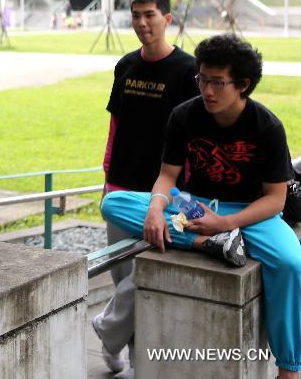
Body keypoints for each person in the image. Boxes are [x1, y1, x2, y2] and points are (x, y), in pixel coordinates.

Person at [102, 34, 300, 378]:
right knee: (114, 203)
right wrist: (154, 209)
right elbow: (167, 177)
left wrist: (227, 223)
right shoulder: (184, 116)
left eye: (217, 82)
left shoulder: (267, 127)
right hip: (194, 208)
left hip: (250, 213)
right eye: (202, 79)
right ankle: (205, 244)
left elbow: (275, 199)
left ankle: (289, 367)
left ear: (242, 85)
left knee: (291, 263)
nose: (207, 90)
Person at [92, 0, 199, 379]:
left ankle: (107, 331)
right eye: (135, 15)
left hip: (169, 194)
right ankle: (125, 354)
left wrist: (189, 195)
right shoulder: (125, 66)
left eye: (149, 15)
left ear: (167, 19)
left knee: (145, 277)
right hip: (121, 187)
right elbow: (115, 125)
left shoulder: (188, 71)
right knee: (122, 275)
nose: (141, 23)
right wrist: (106, 178)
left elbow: (194, 134)